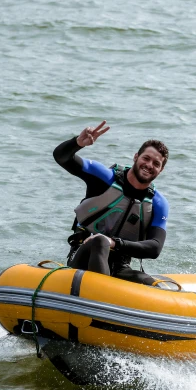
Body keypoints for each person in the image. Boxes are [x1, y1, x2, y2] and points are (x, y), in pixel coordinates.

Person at [53, 120, 170, 285]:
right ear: (136, 157)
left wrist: (115, 243)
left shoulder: (158, 203)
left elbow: (155, 247)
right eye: (146, 158)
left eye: (156, 163)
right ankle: (100, 296)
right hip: (83, 259)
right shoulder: (105, 178)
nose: (149, 165)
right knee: (100, 241)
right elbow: (61, 157)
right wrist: (77, 143)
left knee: (154, 286)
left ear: (161, 170)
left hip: (119, 267)